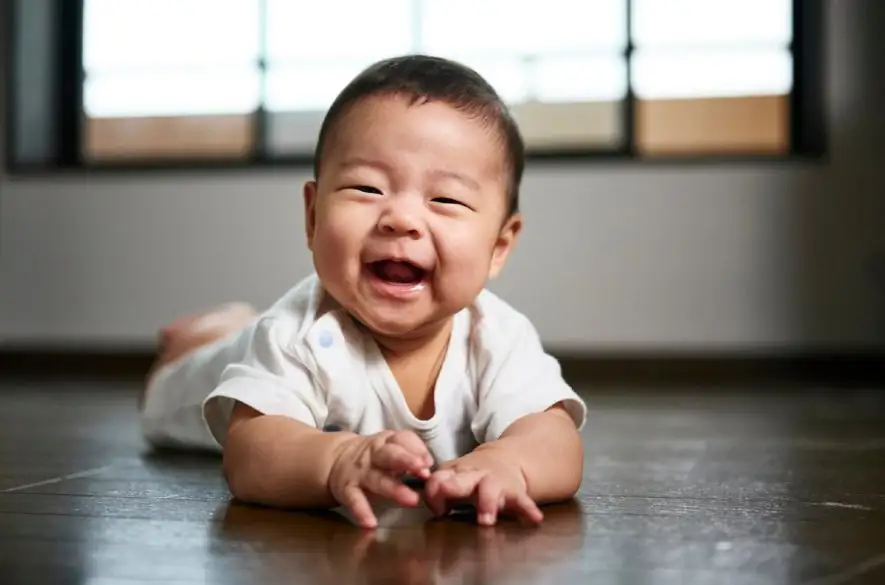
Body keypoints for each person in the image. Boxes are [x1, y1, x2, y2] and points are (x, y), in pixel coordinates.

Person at [140, 54, 587, 529]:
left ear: (499, 246)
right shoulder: (295, 333)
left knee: (246, 330)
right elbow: (251, 453)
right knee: (185, 370)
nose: (401, 218)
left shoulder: (496, 336)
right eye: (368, 188)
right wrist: (337, 460)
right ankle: (202, 335)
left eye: (446, 199)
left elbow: (554, 437)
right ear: (313, 217)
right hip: (197, 386)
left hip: (256, 337)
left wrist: (509, 462)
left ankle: (231, 323)